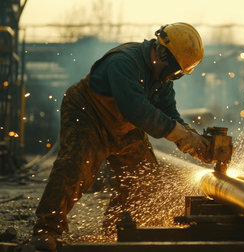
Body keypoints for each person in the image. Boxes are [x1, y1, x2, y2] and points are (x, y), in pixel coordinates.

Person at [32, 22, 212, 251]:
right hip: (89, 114)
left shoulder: (162, 80)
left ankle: (117, 229)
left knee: (143, 177)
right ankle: (46, 229)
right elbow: (136, 109)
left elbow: (170, 113)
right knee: (76, 167)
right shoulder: (124, 62)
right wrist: (180, 135)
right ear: (163, 53)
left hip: (123, 126)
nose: (174, 77)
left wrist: (192, 139)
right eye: (175, 71)